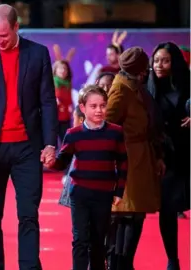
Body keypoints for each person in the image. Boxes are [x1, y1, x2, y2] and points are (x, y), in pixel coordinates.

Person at [0, 4, 58, 269]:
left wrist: (50, 143)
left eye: (4, 36)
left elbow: (47, 101)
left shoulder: (38, 54)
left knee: (29, 215)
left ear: (17, 27)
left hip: (28, 147)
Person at [45, 85, 127, 270]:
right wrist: (51, 163)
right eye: (94, 106)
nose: (99, 110)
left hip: (104, 194)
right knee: (80, 239)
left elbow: (123, 162)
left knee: (98, 241)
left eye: (103, 105)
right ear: (82, 108)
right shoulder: (73, 135)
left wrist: (119, 191)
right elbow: (63, 161)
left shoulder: (115, 132)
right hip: (79, 194)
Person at [105, 47, 163, 270]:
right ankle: (121, 263)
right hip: (128, 157)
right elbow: (109, 123)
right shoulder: (121, 88)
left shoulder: (133, 86)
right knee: (128, 214)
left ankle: (124, 263)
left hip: (140, 155)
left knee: (134, 212)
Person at [148, 42, 190, 270]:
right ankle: (172, 259)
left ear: (174, 61)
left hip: (188, 150)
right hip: (165, 154)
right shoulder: (149, 85)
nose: (159, 65)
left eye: (164, 60)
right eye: (156, 60)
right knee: (167, 208)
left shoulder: (188, 81)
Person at [58, 105, 85, 208]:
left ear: (81, 120)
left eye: (74, 118)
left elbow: (62, 160)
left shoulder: (74, 137)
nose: (73, 122)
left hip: (80, 194)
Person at [53, 60, 74, 144]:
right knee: (52, 144)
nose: (63, 71)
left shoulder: (68, 83)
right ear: (55, 70)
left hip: (65, 117)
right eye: (60, 68)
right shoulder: (51, 82)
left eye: (65, 68)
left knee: (66, 142)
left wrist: (70, 106)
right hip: (53, 117)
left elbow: (69, 99)